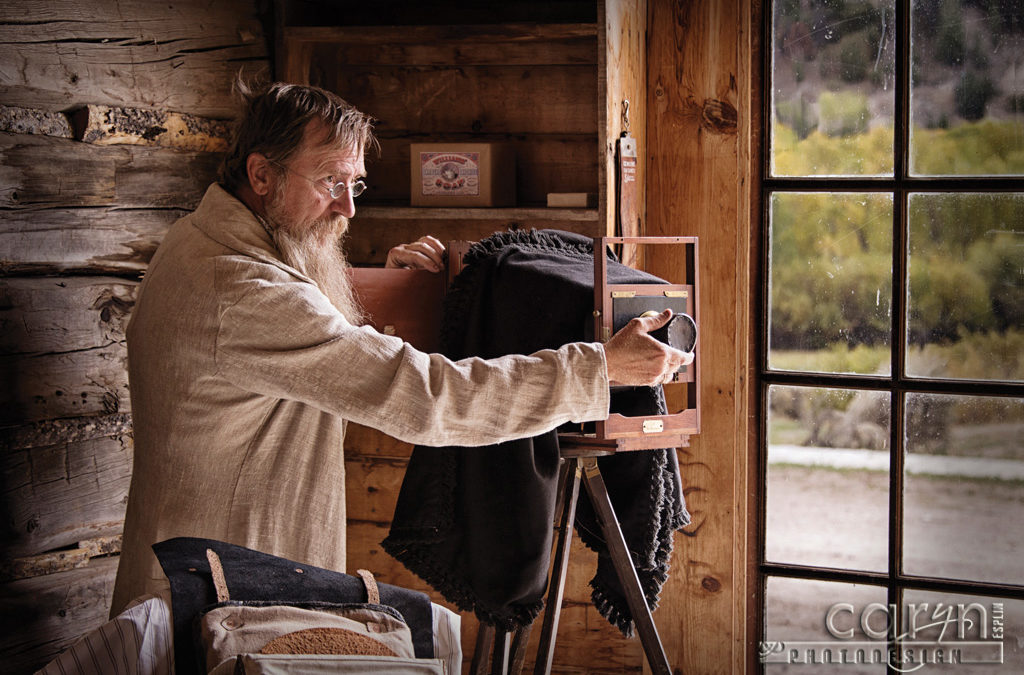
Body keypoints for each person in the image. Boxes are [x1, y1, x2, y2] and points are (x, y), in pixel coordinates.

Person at [110, 80, 691, 615]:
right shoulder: (240, 289)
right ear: (261, 175)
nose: (348, 207)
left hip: (211, 568)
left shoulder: (201, 241)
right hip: (222, 586)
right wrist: (599, 369)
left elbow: (301, 344)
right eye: (329, 182)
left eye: (354, 183)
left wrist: (380, 293)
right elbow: (425, 398)